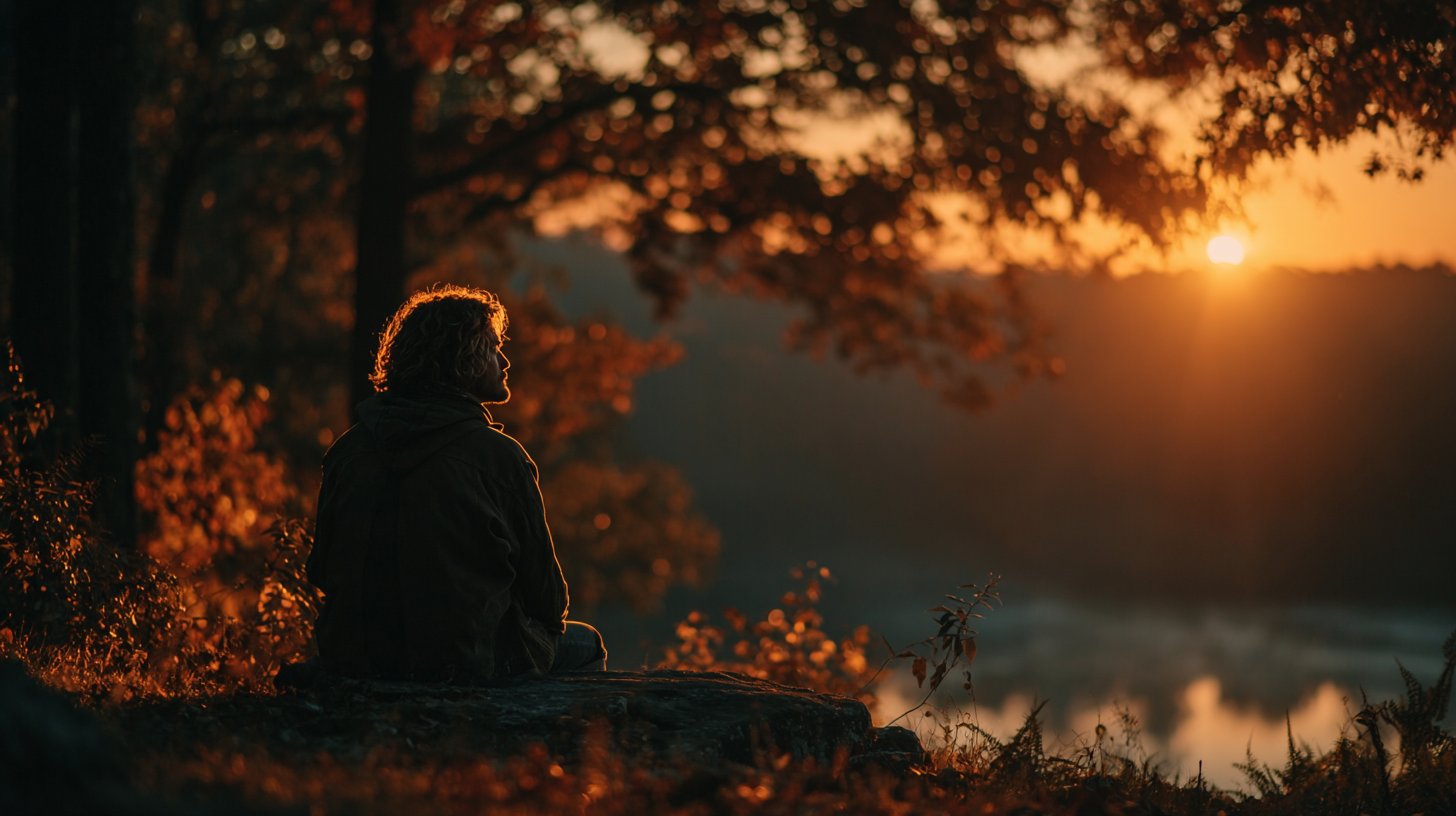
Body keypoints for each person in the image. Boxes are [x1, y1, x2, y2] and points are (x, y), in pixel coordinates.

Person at [305, 284, 606, 681]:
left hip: (354, 660)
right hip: (464, 662)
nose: (504, 361)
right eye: (493, 347)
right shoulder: (498, 457)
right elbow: (550, 601)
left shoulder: (347, 451)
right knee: (587, 644)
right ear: (462, 358)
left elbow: (320, 571)